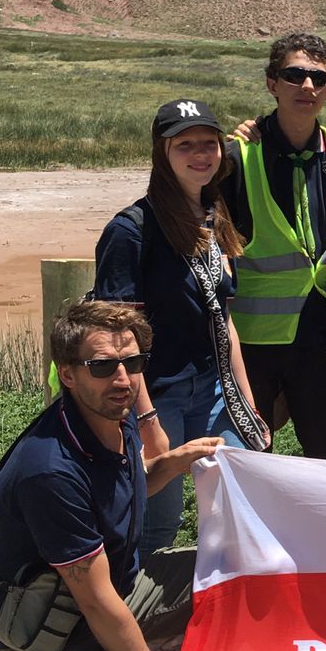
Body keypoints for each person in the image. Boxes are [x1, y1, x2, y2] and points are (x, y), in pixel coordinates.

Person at [0, 301, 272, 651]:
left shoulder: (111, 421)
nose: (123, 379)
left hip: (120, 594)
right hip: (51, 638)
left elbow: (127, 486)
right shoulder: (49, 468)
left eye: (133, 363)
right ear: (68, 375)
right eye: (102, 367)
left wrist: (178, 460)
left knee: (248, 573)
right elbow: (96, 602)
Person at [94, 100, 268, 557]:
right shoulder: (132, 231)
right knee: (157, 520)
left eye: (209, 144)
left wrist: (247, 404)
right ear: (162, 153)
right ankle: (138, 620)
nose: (200, 154)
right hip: (154, 393)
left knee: (237, 502)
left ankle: (220, 611)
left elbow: (222, 319)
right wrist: (148, 421)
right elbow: (118, 340)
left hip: (214, 391)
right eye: (184, 145)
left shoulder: (215, 218)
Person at [219, 33, 326, 459]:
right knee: (249, 455)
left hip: (321, 337)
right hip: (253, 341)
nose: (307, 86)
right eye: (294, 75)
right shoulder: (238, 156)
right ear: (271, 83)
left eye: (318, 78)